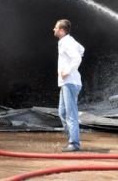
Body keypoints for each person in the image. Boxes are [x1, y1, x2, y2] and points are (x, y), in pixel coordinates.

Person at [53, 19, 84, 152]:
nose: (53, 30)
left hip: (70, 82)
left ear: (61, 30)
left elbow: (77, 57)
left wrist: (68, 70)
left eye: (55, 28)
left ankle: (74, 143)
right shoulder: (69, 41)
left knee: (71, 114)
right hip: (67, 83)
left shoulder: (65, 42)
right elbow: (82, 49)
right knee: (62, 112)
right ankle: (72, 138)